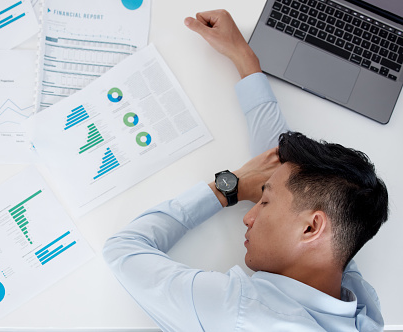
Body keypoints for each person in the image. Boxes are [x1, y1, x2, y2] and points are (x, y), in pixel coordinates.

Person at [103, 9, 389, 332]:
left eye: (264, 203)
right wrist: (245, 60)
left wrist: (228, 187)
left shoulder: (238, 313)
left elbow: (123, 249)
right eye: (261, 201)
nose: (248, 215)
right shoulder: (360, 307)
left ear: (311, 228)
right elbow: (282, 172)